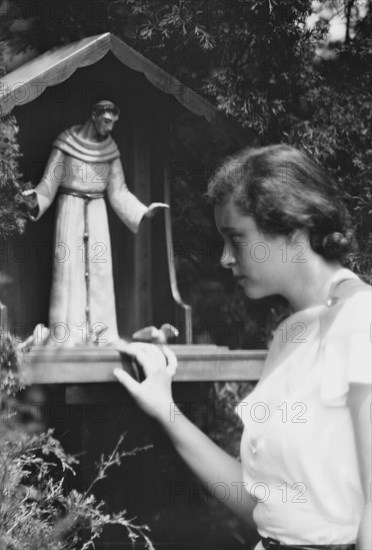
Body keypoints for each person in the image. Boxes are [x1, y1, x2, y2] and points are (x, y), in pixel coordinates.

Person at [114, 145, 371, 550]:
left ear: (292, 229)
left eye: (236, 237)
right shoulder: (289, 334)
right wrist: (165, 408)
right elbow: (262, 508)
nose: (224, 258)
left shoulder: (361, 319)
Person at [22, 100, 167, 345]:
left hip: (98, 215)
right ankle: (67, 336)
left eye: (113, 123)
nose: (110, 128)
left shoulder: (111, 151)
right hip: (70, 211)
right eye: (107, 122)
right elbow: (49, 182)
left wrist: (143, 211)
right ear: (94, 116)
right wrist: (33, 198)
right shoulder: (66, 143)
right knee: (69, 272)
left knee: (99, 273)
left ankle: (101, 336)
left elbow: (119, 191)